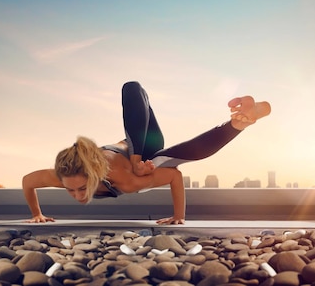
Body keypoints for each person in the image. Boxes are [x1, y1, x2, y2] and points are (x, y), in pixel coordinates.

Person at [22, 81, 271, 225]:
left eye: (81, 188)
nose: (77, 195)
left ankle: (239, 123)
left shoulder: (128, 180)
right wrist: (37, 214)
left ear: (96, 175)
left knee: (132, 88)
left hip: (145, 148)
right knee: (134, 90)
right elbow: (28, 182)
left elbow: (174, 175)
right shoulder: (62, 175)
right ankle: (242, 120)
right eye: (70, 190)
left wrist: (178, 216)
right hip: (130, 144)